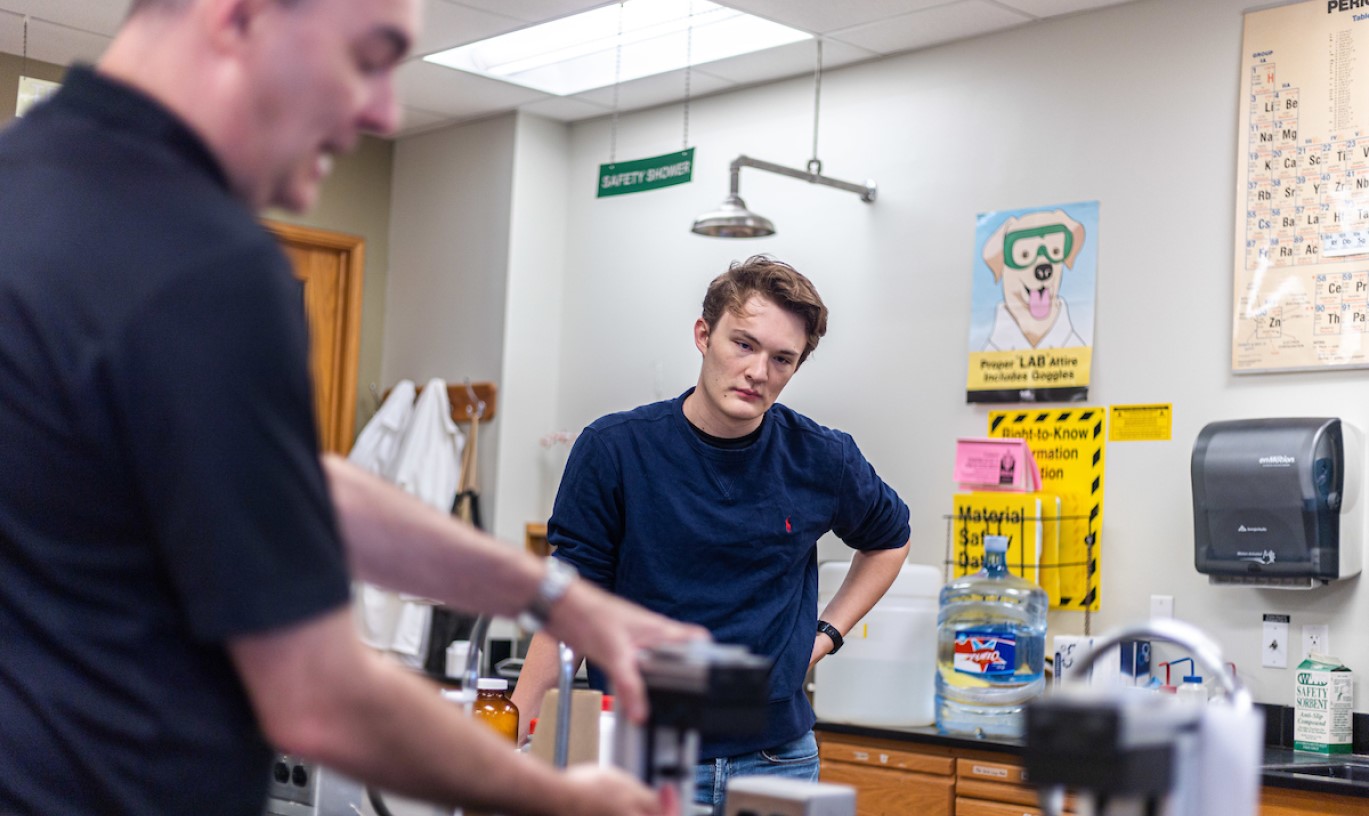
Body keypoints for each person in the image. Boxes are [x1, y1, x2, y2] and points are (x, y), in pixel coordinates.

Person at [0, 1, 706, 814]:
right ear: (237, 16)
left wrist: (552, 596)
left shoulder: (33, 190)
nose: (380, 110)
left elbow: (294, 489)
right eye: (367, 59)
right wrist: (559, 799)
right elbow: (317, 691)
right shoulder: (200, 264)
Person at [511, 256, 912, 815]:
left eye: (781, 359)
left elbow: (890, 540)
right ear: (704, 335)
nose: (758, 371)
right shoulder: (616, 450)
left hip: (778, 760)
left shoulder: (822, 458)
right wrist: (511, 734)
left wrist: (823, 638)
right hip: (641, 757)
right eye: (743, 344)